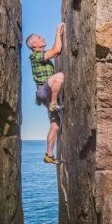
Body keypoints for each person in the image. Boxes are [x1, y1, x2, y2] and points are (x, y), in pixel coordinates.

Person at [26, 23, 65, 164]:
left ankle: (49, 155)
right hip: (43, 91)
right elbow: (57, 50)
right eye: (39, 38)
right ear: (35, 45)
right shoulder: (35, 56)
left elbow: (55, 51)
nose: (42, 38)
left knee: (55, 125)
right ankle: (54, 104)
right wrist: (57, 34)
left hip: (45, 94)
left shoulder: (39, 55)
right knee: (59, 76)